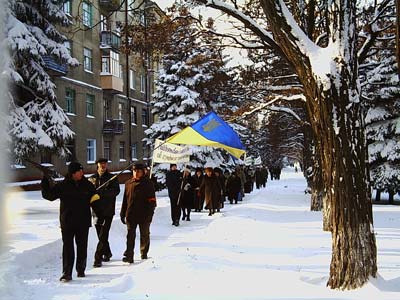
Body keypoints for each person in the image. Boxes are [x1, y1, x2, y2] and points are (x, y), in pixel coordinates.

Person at [41, 162, 101, 282]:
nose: (82, 173)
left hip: (83, 221)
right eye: (79, 171)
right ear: (73, 173)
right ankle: (67, 273)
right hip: (67, 222)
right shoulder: (63, 185)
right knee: (68, 247)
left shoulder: (87, 185)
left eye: (82, 171)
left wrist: (99, 214)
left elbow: (95, 201)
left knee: (82, 246)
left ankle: (81, 269)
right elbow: (49, 195)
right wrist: (45, 180)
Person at [120, 163, 157, 264]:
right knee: (130, 235)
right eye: (135, 171)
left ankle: (143, 253)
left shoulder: (148, 183)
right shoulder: (128, 183)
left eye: (139, 171)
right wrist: (122, 213)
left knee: (144, 235)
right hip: (131, 214)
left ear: (143, 172)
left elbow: (152, 201)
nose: (136, 173)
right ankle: (129, 255)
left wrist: (150, 214)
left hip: (144, 215)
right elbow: (125, 200)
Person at [89, 158, 120, 268]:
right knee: (100, 235)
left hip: (108, 211)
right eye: (101, 164)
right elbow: (88, 193)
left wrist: (101, 193)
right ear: (97, 165)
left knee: (103, 234)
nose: (103, 166)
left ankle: (98, 258)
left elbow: (116, 191)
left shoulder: (112, 178)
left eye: (104, 164)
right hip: (96, 212)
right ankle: (107, 252)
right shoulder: (92, 179)